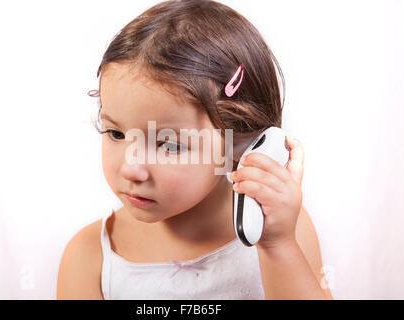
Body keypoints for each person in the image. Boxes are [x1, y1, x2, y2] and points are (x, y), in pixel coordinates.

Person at [57, 0, 333, 300]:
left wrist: (279, 247)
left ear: (239, 142)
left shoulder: (280, 231)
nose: (130, 168)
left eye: (170, 145)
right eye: (116, 132)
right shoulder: (89, 257)